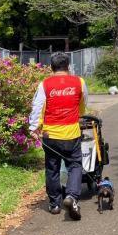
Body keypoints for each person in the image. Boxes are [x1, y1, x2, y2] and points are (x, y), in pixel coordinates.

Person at [29, 52, 89, 220]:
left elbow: (37, 106)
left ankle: (55, 203)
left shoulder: (44, 84)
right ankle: (71, 196)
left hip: (50, 134)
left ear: (51, 68)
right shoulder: (79, 82)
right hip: (71, 133)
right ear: (68, 67)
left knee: (52, 168)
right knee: (75, 165)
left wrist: (34, 128)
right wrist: (80, 115)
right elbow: (83, 102)